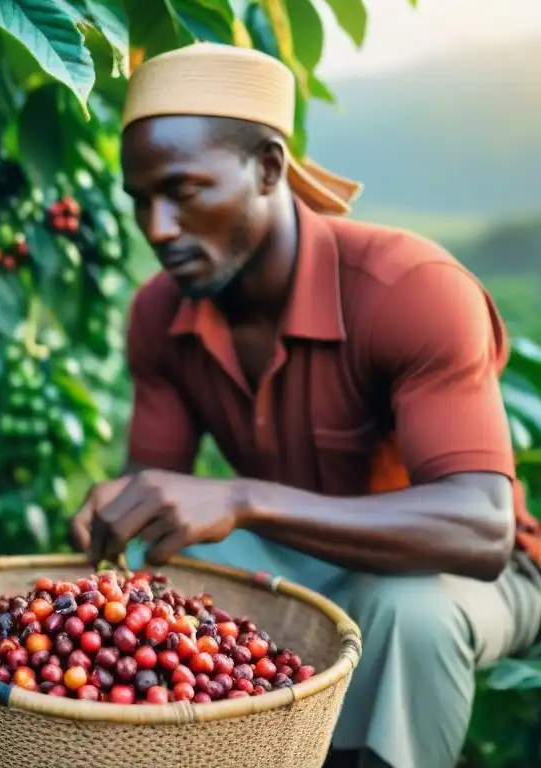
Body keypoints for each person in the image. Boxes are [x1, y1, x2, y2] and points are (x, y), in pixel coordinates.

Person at [69, 42, 541, 768]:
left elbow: (478, 530)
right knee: (161, 552)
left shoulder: (409, 290)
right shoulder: (159, 315)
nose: (158, 227)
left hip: (454, 571)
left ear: (267, 168)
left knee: (406, 614)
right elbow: (154, 512)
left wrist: (244, 497)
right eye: (141, 200)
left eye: (185, 190)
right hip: (298, 556)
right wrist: (122, 515)